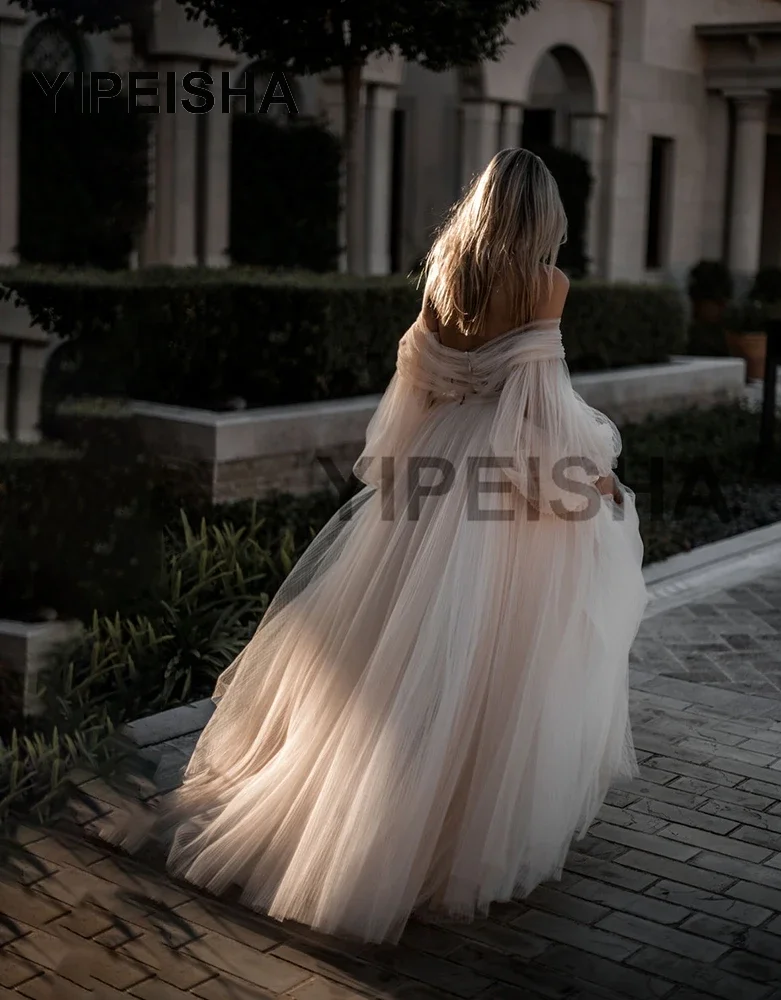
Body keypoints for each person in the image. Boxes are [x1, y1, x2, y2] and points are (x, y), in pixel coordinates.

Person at [114, 148, 648, 944]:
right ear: (542, 216)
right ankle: (439, 834)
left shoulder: (446, 274)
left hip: (431, 466)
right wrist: (589, 479)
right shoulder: (545, 284)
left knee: (400, 657)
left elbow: (416, 383)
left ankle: (373, 814)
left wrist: (404, 474)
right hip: (496, 474)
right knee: (489, 654)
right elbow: (538, 403)